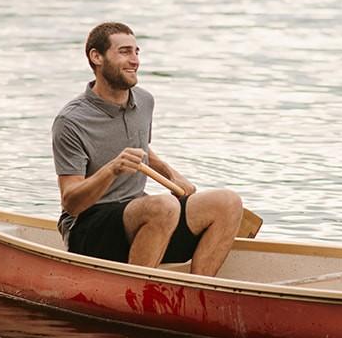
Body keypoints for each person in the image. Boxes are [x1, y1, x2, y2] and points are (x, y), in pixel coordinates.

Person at [52, 22, 244, 275]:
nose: (134, 61)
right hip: (89, 228)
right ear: (96, 57)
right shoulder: (71, 121)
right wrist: (112, 170)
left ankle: (199, 294)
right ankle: (133, 295)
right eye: (124, 52)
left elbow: (141, 149)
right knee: (164, 206)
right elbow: (71, 202)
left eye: (137, 52)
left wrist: (169, 173)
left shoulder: (144, 101)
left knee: (227, 202)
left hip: (137, 218)